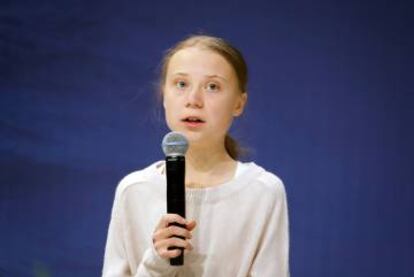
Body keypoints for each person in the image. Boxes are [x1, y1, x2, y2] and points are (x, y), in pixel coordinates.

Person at [102, 34, 289, 276]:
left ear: (239, 104)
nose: (193, 100)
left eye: (212, 87)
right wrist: (156, 262)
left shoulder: (263, 191)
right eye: (181, 84)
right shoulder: (134, 190)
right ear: (164, 96)